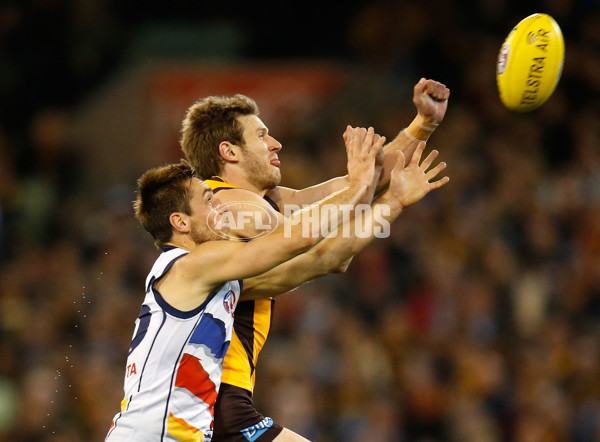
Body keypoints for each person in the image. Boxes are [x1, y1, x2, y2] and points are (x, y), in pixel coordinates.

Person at [179, 80, 450, 441]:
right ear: (229, 152)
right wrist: (388, 201)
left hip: (212, 401)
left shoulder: (257, 202)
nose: (275, 144)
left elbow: (360, 184)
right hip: (213, 400)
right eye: (261, 136)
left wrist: (423, 124)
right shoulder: (228, 210)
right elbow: (328, 253)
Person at [105, 124, 387, 441]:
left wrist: (394, 201)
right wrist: (359, 185)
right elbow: (300, 236)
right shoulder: (191, 266)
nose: (221, 208)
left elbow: (322, 260)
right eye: (208, 201)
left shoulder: (218, 277)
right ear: (181, 222)